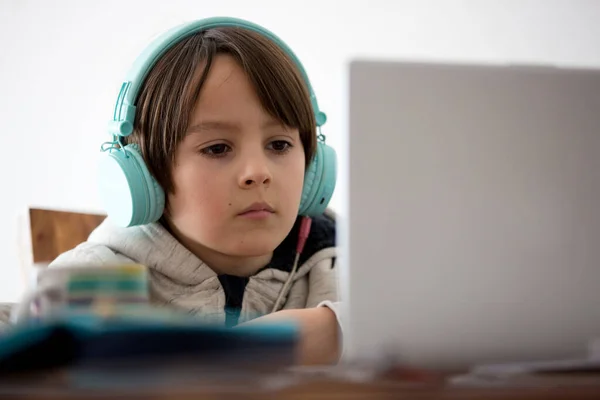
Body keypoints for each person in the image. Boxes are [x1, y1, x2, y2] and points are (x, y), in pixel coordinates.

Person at [48, 18, 342, 366]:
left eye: (279, 144)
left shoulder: (349, 268)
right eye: (217, 148)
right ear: (146, 174)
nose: (257, 173)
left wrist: (339, 327)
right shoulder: (88, 282)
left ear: (313, 163)